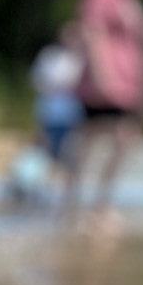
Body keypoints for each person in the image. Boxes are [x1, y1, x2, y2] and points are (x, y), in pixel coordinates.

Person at [64, 0, 143, 230]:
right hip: (104, 81)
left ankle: (99, 203)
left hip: (127, 85)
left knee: (123, 138)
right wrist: (103, 74)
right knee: (91, 138)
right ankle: (74, 202)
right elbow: (92, 28)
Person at [31, 22, 86, 173]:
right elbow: (38, 80)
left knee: (69, 150)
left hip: (72, 110)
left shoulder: (82, 58)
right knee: (46, 145)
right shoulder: (50, 55)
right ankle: (37, 178)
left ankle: (63, 182)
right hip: (51, 107)